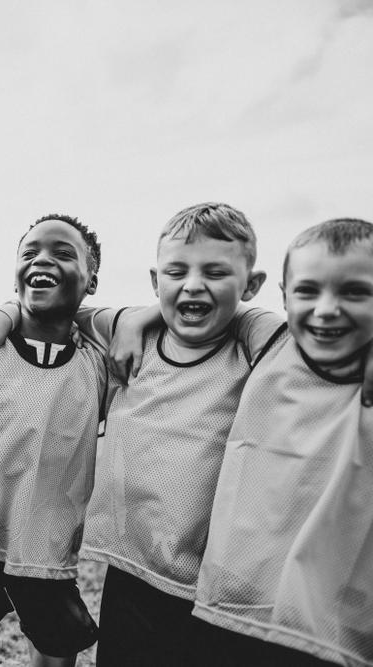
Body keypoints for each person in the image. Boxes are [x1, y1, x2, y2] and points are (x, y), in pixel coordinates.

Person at [78, 203, 284, 666]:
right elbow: (62, 308)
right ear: (156, 281)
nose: (193, 284)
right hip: (131, 570)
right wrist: (6, 313)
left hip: (210, 586)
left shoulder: (252, 340)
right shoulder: (134, 335)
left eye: (215, 271)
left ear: (251, 285)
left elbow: (317, 338)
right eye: (177, 271)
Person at [191, 218, 373, 667]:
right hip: (232, 608)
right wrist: (7, 313)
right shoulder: (271, 340)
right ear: (284, 296)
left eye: (354, 292)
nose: (326, 309)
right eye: (308, 291)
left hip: (331, 632)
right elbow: (195, 303)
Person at [0, 214, 105, 667]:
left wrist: (7, 310)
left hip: (48, 555)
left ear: (92, 279)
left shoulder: (100, 365)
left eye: (63, 253)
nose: (42, 259)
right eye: (30, 252)